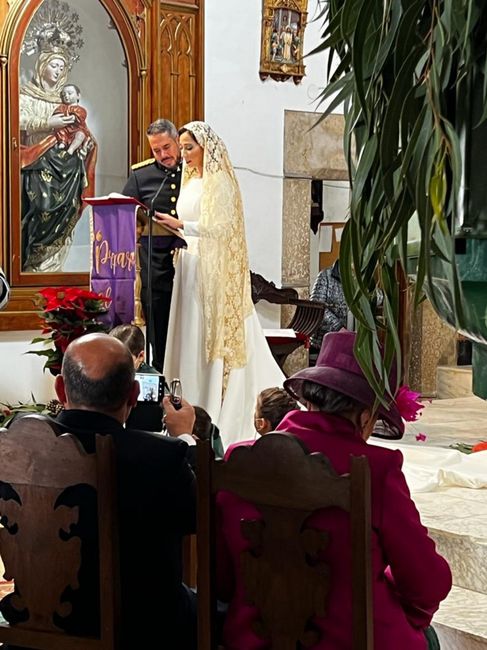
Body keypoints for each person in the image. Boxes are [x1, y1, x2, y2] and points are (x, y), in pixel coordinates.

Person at [216, 330, 452, 649]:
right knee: (430, 638)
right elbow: (428, 584)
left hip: (252, 640)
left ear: (309, 399)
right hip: (354, 639)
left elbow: (223, 577)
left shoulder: (239, 459)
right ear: (366, 416)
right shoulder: (375, 469)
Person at [0, 333, 197, 649]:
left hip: (35, 631)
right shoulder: (161, 457)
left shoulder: (11, 451)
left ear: (61, 388)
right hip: (142, 632)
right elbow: (195, 520)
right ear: (133, 394)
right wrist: (186, 438)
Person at [157, 121, 285, 445]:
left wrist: (183, 224)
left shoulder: (220, 182)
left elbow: (221, 228)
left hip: (211, 271)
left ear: (206, 148)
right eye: (182, 148)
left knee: (205, 334)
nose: (184, 154)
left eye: (189, 148)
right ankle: (182, 403)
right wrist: (172, 229)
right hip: (189, 263)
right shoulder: (190, 181)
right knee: (188, 334)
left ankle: (210, 402)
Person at [20, 49, 97, 272]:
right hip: (37, 157)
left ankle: (52, 267)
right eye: (54, 65)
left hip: (67, 164)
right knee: (39, 205)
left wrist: (86, 144)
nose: (58, 70)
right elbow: (16, 119)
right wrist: (47, 122)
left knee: (68, 207)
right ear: (42, 65)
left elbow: (81, 128)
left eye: (62, 67)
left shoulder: (68, 99)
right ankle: (32, 263)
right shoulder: (26, 94)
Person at [122, 118, 182, 373]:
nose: (163, 155)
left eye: (167, 147)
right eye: (156, 150)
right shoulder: (141, 176)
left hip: (190, 264)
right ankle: (162, 379)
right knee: (159, 334)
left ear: (177, 141)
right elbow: (124, 213)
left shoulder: (194, 172)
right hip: (155, 267)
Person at [309, 259, 348, 361]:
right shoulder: (325, 276)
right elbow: (317, 306)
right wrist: (338, 327)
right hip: (326, 338)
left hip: (351, 338)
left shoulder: (360, 278)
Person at [53, 83, 94, 157]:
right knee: (59, 130)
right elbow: (56, 114)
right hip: (64, 128)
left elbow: (80, 116)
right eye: (64, 95)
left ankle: (71, 150)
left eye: (69, 93)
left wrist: (73, 117)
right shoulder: (62, 107)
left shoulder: (81, 109)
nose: (66, 96)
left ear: (78, 96)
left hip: (76, 130)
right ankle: (62, 142)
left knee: (80, 135)